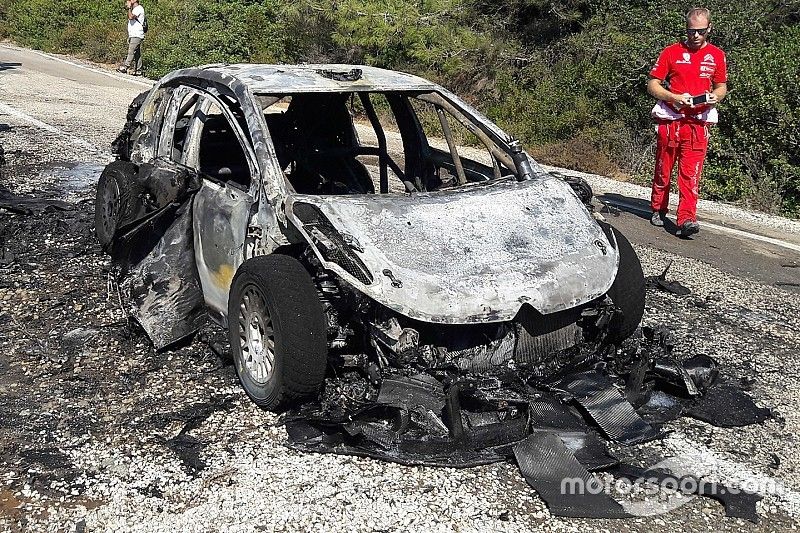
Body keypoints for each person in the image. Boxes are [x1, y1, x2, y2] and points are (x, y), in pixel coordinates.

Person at [647, 7, 727, 237]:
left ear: (709, 29)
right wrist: (672, 97)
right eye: (691, 31)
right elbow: (653, 84)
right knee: (663, 168)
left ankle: (687, 218)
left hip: (698, 123)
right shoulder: (671, 52)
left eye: (701, 31)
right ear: (686, 29)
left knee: (691, 173)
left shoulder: (717, 55)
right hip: (672, 119)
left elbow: (721, 86)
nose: (695, 36)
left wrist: (716, 96)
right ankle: (658, 208)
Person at [118, 0, 145, 76]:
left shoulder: (139, 8)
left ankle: (125, 67)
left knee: (131, 50)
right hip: (134, 34)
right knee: (137, 54)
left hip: (137, 34)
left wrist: (129, 8)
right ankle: (139, 70)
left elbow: (131, 17)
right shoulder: (135, 9)